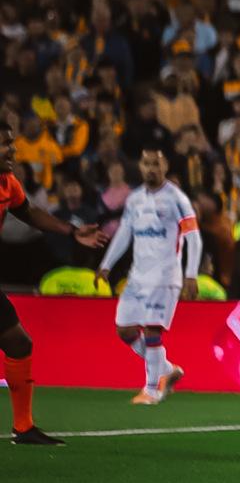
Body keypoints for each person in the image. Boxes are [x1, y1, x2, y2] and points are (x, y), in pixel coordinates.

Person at [0, 123, 109, 443]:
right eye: (5, 144)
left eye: (12, 144)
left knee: (19, 343)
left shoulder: (8, 184)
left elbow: (30, 212)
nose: (13, 151)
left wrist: (72, 232)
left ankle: (23, 426)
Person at [94, 148, 201, 405]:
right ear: (140, 167)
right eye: (146, 164)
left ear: (164, 167)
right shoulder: (134, 199)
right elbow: (124, 233)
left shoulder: (176, 199)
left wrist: (191, 274)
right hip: (138, 276)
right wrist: (106, 264)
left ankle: (152, 389)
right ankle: (165, 369)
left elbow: (193, 236)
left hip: (165, 275)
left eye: (156, 164)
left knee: (153, 328)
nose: (151, 168)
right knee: (125, 329)